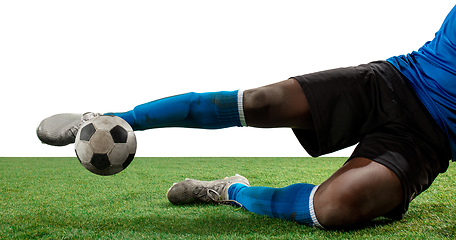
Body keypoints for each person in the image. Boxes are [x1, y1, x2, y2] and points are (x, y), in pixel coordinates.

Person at [37, 5, 456, 229]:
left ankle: (230, 191)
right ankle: (111, 119)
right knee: (261, 101)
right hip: (396, 81)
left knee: (334, 210)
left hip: (429, 140)